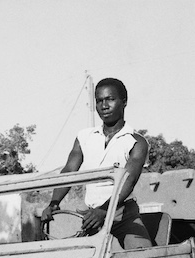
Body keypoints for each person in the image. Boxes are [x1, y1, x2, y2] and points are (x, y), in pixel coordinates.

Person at [41, 77, 152, 249]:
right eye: (99, 101)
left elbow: (127, 180)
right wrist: (53, 203)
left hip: (123, 214)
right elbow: (69, 170)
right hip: (92, 216)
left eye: (110, 99)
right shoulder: (84, 137)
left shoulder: (136, 142)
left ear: (124, 101)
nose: (104, 106)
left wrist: (104, 210)